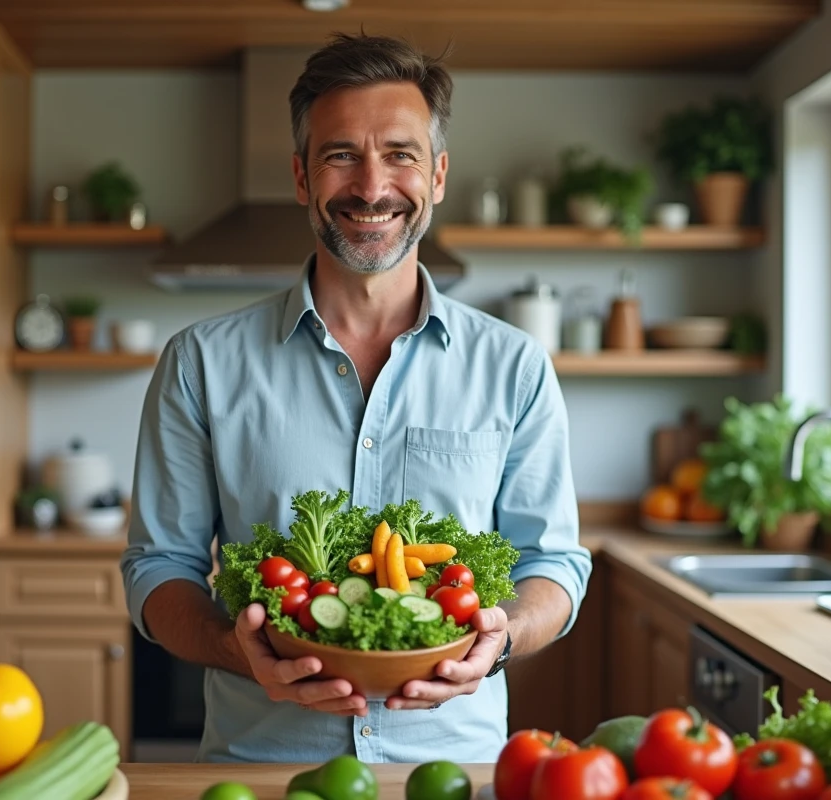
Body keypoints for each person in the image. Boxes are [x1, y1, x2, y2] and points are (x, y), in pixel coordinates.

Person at [120, 32, 592, 764]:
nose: (371, 187)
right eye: (342, 154)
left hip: (452, 770)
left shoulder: (515, 365)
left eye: (400, 154)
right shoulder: (200, 363)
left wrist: (499, 639)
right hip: (264, 767)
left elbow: (553, 564)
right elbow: (159, 568)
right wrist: (237, 650)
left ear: (436, 176)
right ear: (303, 177)